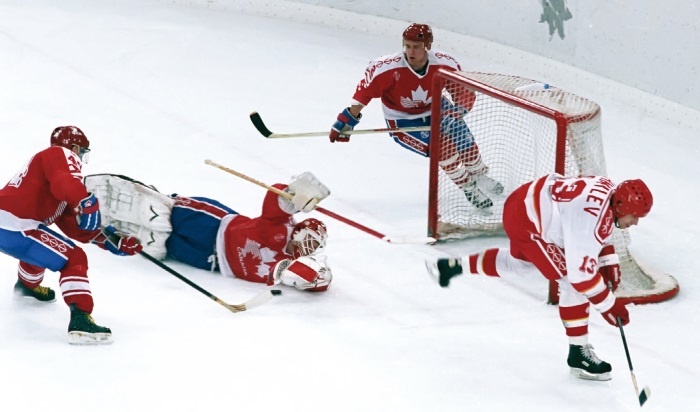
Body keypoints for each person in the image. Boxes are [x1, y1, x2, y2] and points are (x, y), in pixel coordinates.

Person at [426, 173, 653, 381]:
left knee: (521, 266)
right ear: (621, 206)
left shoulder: (608, 189)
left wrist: (608, 260)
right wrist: (610, 306)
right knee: (569, 280)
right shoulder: (588, 219)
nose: (635, 222)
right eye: (634, 216)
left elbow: (599, 226)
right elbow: (581, 277)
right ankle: (578, 355)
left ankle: (454, 266)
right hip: (529, 223)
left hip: (522, 203)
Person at [328, 22, 503, 209]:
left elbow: (463, 92)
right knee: (443, 148)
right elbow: (364, 94)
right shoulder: (385, 68)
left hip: (437, 108)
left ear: (427, 46)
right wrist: (347, 120)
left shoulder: (445, 64)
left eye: (416, 47)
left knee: (461, 135)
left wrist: (456, 113)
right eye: (407, 46)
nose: (410, 52)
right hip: (402, 119)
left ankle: (479, 175)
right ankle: (468, 187)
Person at [0, 126, 143, 345]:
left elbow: (73, 227)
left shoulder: (51, 180)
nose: (81, 159)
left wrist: (110, 240)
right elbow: (64, 181)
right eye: (82, 152)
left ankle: (27, 287)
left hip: (11, 225)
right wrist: (85, 200)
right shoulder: (60, 154)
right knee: (74, 258)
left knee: (44, 244)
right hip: (15, 226)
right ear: (74, 147)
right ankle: (81, 320)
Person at [84, 172, 333, 292]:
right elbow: (275, 200)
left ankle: (118, 225)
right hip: (215, 225)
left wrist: (318, 277)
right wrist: (294, 196)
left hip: (210, 261)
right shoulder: (282, 226)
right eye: (307, 240)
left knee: (160, 243)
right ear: (299, 230)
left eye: (312, 246)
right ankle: (137, 199)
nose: (306, 246)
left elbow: (312, 280)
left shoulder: (284, 264)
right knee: (163, 213)